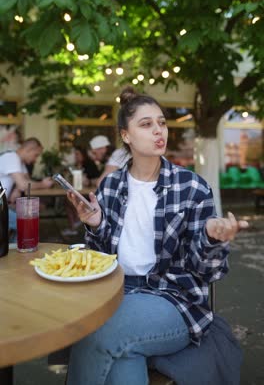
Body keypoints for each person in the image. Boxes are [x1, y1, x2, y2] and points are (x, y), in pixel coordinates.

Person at [66, 87, 248, 385]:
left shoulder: (191, 187)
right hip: (117, 294)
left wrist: (211, 240)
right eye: (146, 124)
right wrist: (96, 225)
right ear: (126, 135)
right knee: (124, 357)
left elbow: (207, 272)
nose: (158, 131)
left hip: (172, 300)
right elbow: (99, 260)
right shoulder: (110, 186)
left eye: (161, 122)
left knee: (97, 331)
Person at [0, 137, 53, 236]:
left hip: (4, 204)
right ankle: (17, 248)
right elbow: (24, 185)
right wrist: (43, 184)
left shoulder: (20, 161)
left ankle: (15, 247)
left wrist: (17, 188)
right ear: (29, 150)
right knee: (26, 224)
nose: (35, 159)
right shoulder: (11, 157)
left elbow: (26, 182)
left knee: (29, 216)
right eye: (36, 155)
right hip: (2, 205)